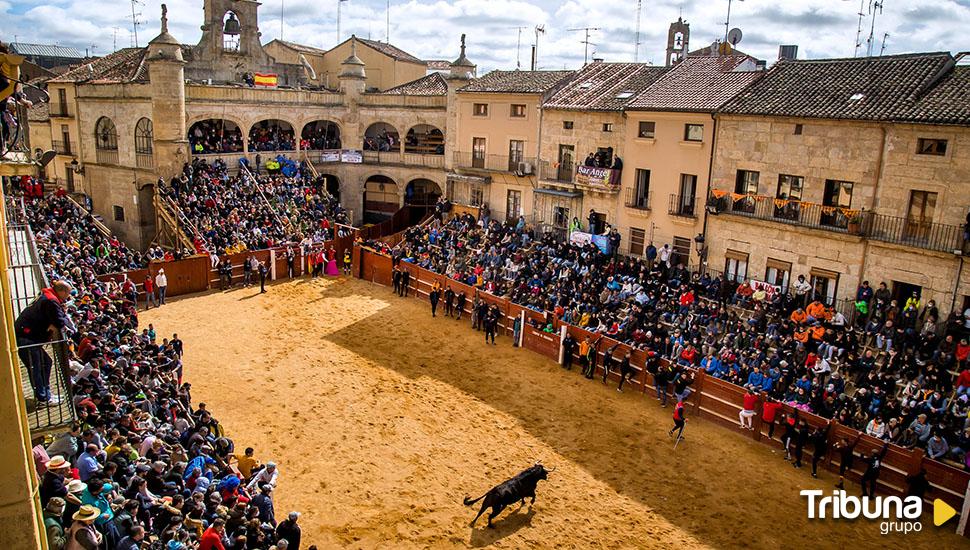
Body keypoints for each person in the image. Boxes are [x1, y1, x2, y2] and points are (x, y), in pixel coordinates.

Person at [15, 280, 72, 404]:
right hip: (28, 338)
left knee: (46, 362)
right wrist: (57, 319)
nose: (69, 296)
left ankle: (46, 394)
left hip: (29, 336)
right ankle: (43, 398)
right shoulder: (51, 301)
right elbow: (59, 322)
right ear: (61, 291)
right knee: (36, 368)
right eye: (68, 293)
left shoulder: (47, 295)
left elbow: (58, 318)